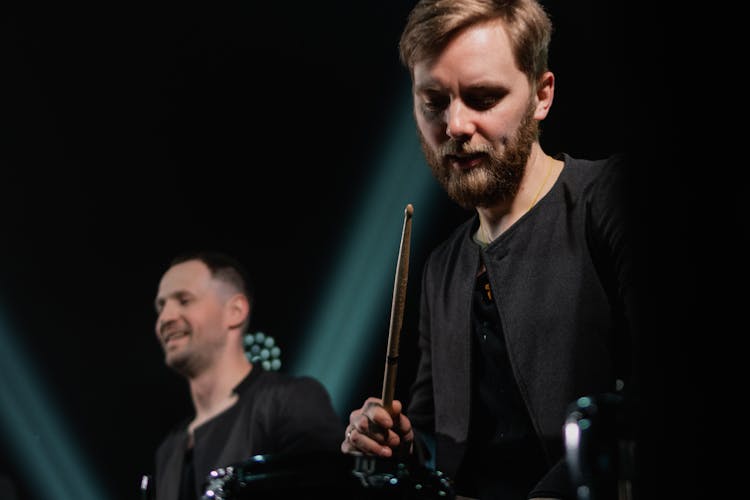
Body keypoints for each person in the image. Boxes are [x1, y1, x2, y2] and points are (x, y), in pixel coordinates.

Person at [341, 1, 640, 499]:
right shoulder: (440, 268)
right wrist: (398, 445)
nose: (455, 125)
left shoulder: (611, 199)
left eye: (482, 97)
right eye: (434, 101)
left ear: (542, 95)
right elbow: (438, 443)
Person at [150, 250, 342, 500]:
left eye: (184, 300)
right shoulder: (168, 450)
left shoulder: (289, 401)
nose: (165, 318)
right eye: (161, 306)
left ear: (235, 311)